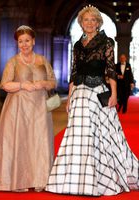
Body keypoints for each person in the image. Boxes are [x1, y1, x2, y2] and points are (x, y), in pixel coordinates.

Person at [46, 5, 139, 196]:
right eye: (85, 20)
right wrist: (70, 97)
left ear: (98, 23)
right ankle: (74, 181)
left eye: (92, 20)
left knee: (99, 135)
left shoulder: (106, 42)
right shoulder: (79, 45)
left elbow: (110, 71)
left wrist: (114, 94)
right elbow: (74, 72)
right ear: (81, 23)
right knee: (77, 136)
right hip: (79, 94)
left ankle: (101, 178)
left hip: (97, 93)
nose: (89, 23)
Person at [0, 25, 57, 192]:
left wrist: (43, 84)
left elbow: (53, 81)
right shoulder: (12, 61)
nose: (24, 44)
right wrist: (21, 84)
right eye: (20, 42)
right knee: (19, 142)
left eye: (27, 40)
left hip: (39, 108)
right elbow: (5, 84)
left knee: (39, 141)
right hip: (17, 108)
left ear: (33, 41)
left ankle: (41, 179)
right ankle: (17, 180)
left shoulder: (43, 60)